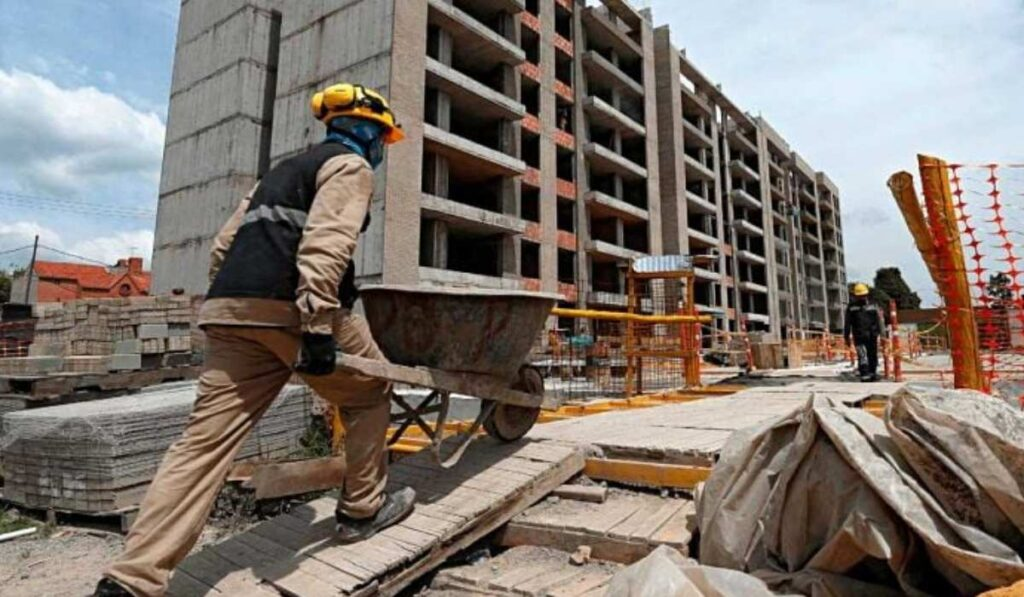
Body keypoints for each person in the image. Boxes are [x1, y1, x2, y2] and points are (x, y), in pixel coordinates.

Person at [95, 84, 414, 597]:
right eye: (383, 138)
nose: (382, 149)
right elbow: (326, 243)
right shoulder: (350, 168)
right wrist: (314, 324)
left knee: (202, 444)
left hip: (230, 310)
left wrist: (238, 302)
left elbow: (225, 245)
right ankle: (361, 512)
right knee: (370, 395)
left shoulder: (280, 174)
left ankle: (132, 580)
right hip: (294, 310)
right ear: (369, 132)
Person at [844, 283, 884, 382]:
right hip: (859, 335)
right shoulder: (852, 307)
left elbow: (880, 321)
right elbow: (847, 323)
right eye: (860, 296)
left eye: (863, 295)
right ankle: (865, 374)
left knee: (872, 355)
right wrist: (846, 336)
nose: (862, 297)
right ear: (856, 296)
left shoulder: (873, 305)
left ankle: (872, 373)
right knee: (863, 355)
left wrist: (883, 335)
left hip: (872, 335)